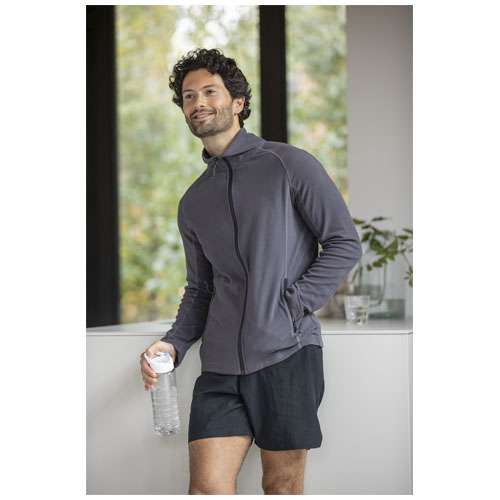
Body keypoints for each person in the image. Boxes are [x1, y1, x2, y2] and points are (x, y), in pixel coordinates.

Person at [140, 48, 362, 494]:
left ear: (238, 102)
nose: (198, 102)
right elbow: (201, 288)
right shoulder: (194, 201)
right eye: (189, 96)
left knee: (281, 487)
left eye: (210, 91)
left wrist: (291, 305)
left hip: (287, 355)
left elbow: (343, 243)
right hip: (220, 367)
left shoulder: (289, 164)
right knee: (207, 489)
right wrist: (175, 342)